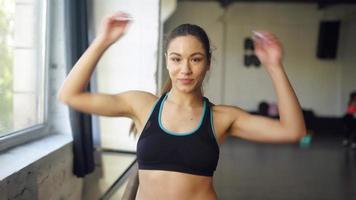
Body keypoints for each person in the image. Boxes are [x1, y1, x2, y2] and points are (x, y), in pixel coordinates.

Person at [57, 11, 306, 200]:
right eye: (177, 59)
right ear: (167, 61)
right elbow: (70, 95)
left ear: (208, 63)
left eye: (195, 59)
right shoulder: (142, 105)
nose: (185, 69)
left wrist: (274, 66)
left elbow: (293, 130)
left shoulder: (222, 118)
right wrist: (103, 40)